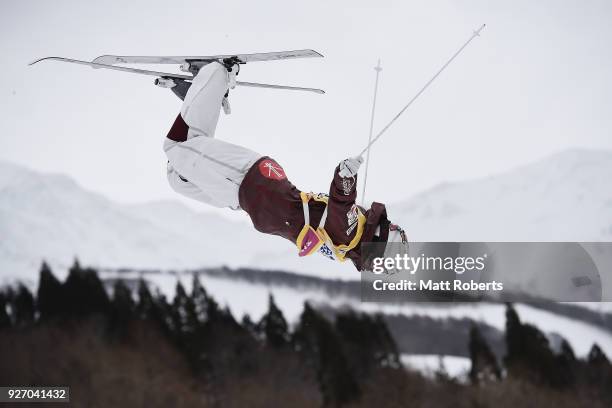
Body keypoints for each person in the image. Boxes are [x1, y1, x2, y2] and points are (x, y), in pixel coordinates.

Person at [164, 61, 408, 271]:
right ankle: (218, 71)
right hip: (253, 182)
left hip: (246, 198)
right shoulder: (351, 232)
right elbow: (341, 204)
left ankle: (203, 94)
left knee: (178, 178)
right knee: (177, 147)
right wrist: (346, 178)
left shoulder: (346, 248)